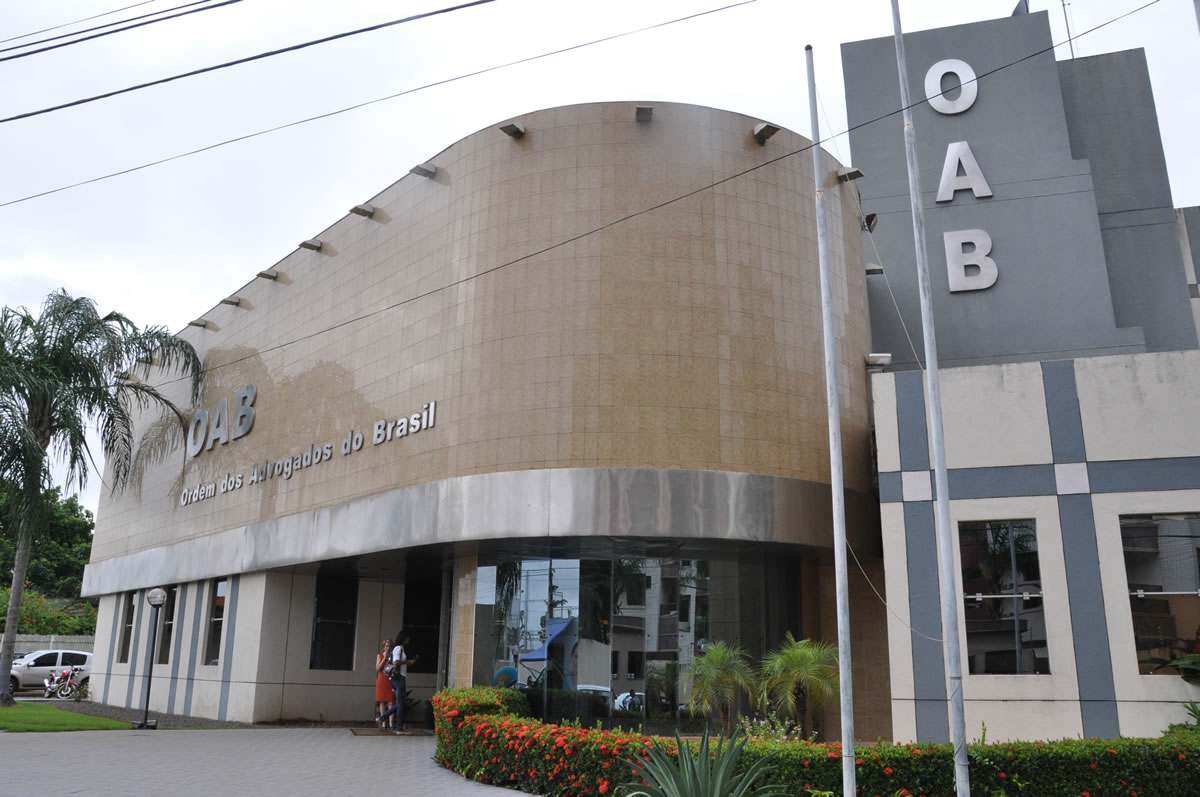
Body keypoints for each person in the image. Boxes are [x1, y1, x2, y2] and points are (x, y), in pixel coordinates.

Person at [378, 632, 417, 732]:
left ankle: (382, 718)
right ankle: (398, 727)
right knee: (400, 704)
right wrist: (408, 662)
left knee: (400, 703)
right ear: (404, 638)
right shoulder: (398, 648)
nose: (408, 640)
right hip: (399, 678)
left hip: (398, 678)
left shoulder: (400, 648)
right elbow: (396, 662)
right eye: (407, 638)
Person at [374, 639, 395, 730]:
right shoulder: (380, 655)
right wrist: (384, 658)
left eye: (390, 646)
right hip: (382, 680)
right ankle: (383, 723)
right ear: (384, 647)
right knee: (382, 701)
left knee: (391, 701)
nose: (388, 648)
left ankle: (391, 723)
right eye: (386, 646)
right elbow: (378, 669)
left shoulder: (394, 656)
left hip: (391, 680)